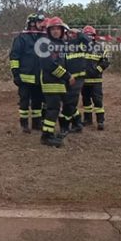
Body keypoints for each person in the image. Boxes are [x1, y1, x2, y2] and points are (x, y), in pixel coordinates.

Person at [39, 17, 76, 148]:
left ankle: (50, 133)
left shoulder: (60, 44)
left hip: (59, 82)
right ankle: (46, 136)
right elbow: (49, 65)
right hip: (50, 82)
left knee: (56, 109)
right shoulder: (45, 44)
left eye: (58, 29)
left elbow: (64, 63)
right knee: (53, 109)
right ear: (49, 31)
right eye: (53, 29)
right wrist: (67, 76)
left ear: (62, 30)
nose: (55, 31)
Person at [9, 13, 46, 133]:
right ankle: (24, 124)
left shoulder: (43, 38)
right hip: (24, 78)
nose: (41, 25)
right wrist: (16, 74)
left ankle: (36, 123)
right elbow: (14, 57)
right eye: (39, 22)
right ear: (31, 23)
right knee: (24, 101)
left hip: (38, 78)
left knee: (37, 102)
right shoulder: (21, 38)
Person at [62, 28, 91, 135]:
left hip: (78, 78)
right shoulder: (60, 46)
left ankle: (64, 127)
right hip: (66, 78)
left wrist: (80, 33)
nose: (66, 36)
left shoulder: (79, 42)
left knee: (69, 102)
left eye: (68, 34)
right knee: (68, 102)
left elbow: (89, 43)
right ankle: (77, 124)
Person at [81, 25, 110, 131]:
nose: (89, 37)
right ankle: (87, 120)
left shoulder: (100, 47)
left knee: (98, 101)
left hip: (96, 80)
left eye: (90, 35)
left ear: (94, 36)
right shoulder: (79, 48)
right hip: (84, 81)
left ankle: (100, 121)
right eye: (86, 35)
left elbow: (105, 62)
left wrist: (96, 70)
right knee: (86, 101)